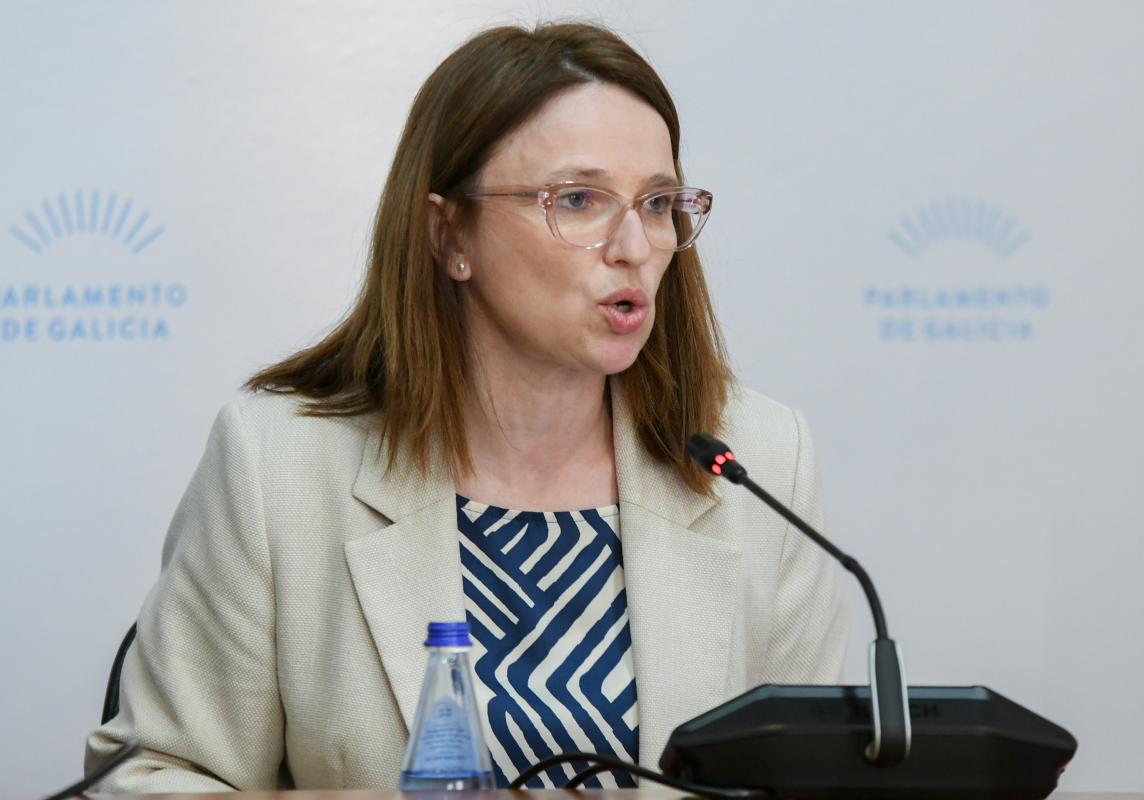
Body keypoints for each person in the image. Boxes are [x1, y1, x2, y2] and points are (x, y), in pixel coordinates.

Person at [85, 20, 848, 792]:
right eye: (579, 200)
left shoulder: (758, 461)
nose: (635, 246)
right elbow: (146, 779)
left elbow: (815, 782)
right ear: (449, 232)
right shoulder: (277, 467)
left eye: (656, 204)